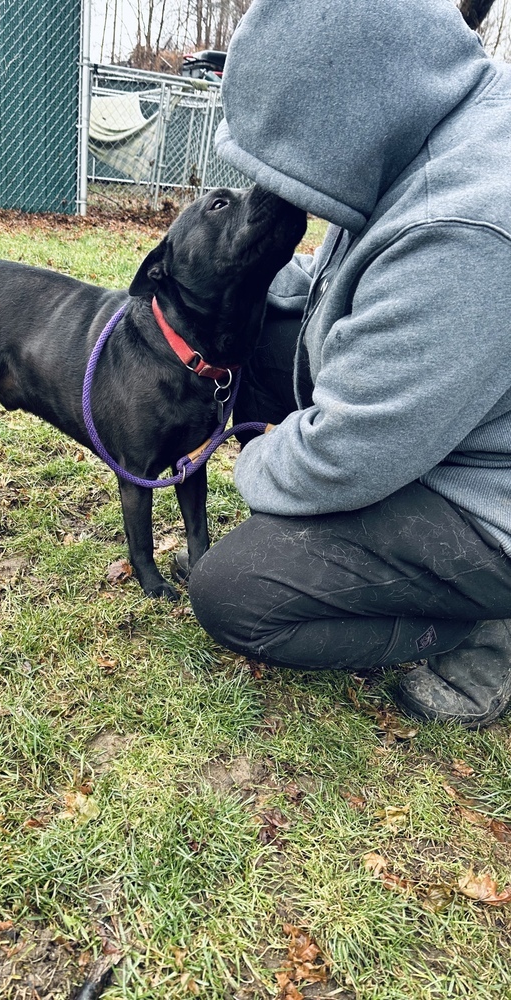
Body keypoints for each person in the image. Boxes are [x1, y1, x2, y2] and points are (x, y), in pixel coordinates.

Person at [187, 0, 511, 728]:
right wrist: (238, 288)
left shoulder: (470, 226)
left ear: (348, 105)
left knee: (236, 593)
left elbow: (348, 455)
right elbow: (359, 268)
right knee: (256, 332)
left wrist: (258, 462)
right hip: (454, 418)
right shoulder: (426, 114)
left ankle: (472, 626)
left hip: (489, 498)